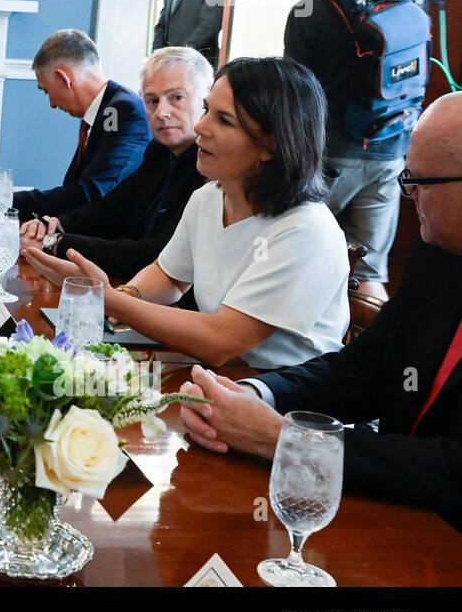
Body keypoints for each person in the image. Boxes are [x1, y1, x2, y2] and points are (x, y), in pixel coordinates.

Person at [178, 92, 462, 530]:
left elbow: (451, 470)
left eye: (420, 181)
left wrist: (285, 439)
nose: (408, 195)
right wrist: (256, 395)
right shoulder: (439, 255)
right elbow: (366, 368)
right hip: (388, 509)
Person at [25, 57, 349, 369]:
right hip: (218, 377)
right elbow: (169, 276)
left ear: (271, 144)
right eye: (207, 109)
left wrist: (108, 299)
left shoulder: (305, 230)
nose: (200, 126)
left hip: (279, 398)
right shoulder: (209, 196)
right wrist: (129, 294)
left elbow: (221, 341)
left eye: (224, 120)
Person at [284, 0, 428, 299]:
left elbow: (295, 100)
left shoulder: (309, 10)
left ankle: (288, 355)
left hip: (330, 160)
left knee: (296, 261)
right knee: (368, 276)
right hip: (390, 154)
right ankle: (368, 355)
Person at [19, 46, 211, 284]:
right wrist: (57, 224)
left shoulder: (211, 167)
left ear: (207, 101)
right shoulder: (160, 150)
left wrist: (54, 243)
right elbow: (113, 207)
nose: (161, 112)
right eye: (151, 100)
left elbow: (157, 255)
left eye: (177, 97)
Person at [0, 29, 149, 218]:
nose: (51, 104)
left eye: (46, 91)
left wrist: (1, 201)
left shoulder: (121, 111)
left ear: (63, 78)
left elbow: (90, 192)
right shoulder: (104, 110)